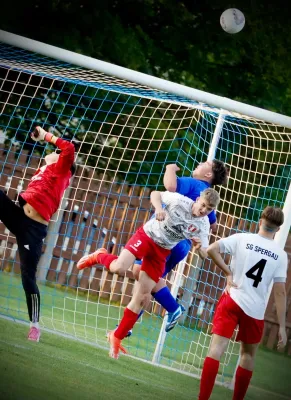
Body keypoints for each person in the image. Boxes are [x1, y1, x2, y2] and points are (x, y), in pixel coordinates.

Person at [77, 188, 220, 359]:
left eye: (209, 209)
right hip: (147, 237)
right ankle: (99, 256)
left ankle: (117, 337)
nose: (203, 210)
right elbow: (155, 194)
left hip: (162, 252)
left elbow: (204, 252)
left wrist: (199, 249)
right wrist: (159, 208)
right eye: (203, 205)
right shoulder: (180, 201)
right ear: (197, 200)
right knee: (119, 268)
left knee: (143, 298)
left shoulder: (203, 225)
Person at [198, 206, 288, 400]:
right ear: (278, 229)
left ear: (260, 221)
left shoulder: (242, 238)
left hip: (232, 299)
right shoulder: (280, 255)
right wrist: (281, 326)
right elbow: (280, 292)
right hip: (255, 310)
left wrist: (227, 272)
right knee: (247, 356)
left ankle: (203, 398)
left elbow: (212, 249)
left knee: (216, 349)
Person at [132, 160, 228, 332]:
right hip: (182, 246)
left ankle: (172, 308)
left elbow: (170, 186)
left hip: (166, 239)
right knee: (150, 280)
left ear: (208, 175)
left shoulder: (194, 184)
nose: (199, 163)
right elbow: (212, 226)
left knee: (141, 273)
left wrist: (170, 167)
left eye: (205, 163)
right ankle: (129, 326)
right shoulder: (207, 197)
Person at [0, 126, 75, 342]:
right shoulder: (45, 170)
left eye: (53, 151)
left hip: (32, 231)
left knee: (28, 279)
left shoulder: (63, 169)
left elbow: (68, 147)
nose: (49, 152)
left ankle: (34, 326)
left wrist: (46, 136)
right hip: (19, 216)